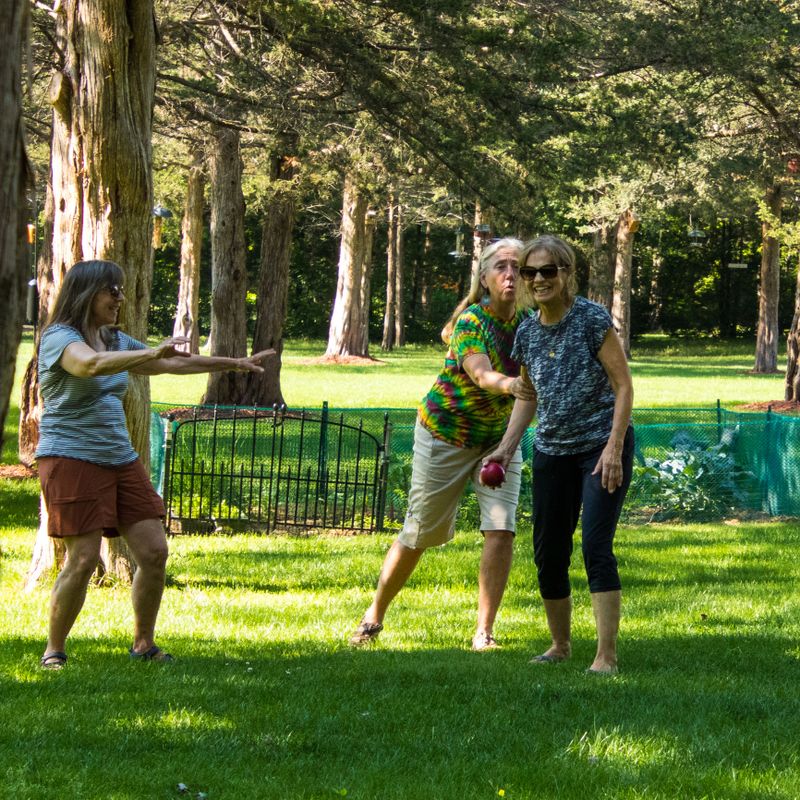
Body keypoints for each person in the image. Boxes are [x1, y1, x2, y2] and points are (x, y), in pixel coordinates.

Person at [36, 259, 274, 669]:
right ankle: (54, 650)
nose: (120, 298)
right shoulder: (60, 337)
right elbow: (87, 365)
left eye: (121, 290)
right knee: (84, 558)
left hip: (119, 457)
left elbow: (171, 363)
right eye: (112, 290)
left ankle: (143, 644)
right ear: (87, 293)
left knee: (154, 551)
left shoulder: (113, 339)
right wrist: (147, 352)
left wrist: (234, 363)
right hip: (71, 456)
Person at [349, 237, 535, 651]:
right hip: (445, 434)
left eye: (517, 267)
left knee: (501, 529)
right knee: (420, 534)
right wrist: (514, 385)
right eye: (501, 267)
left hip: (499, 439)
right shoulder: (471, 322)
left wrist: (508, 441)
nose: (510, 275)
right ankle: (374, 615)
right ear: (484, 278)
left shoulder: (530, 322)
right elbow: (481, 374)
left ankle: (484, 632)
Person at [484, 235, 634, 675]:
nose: (537, 279)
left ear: (566, 273)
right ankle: (560, 645)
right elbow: (527, 394)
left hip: (599, 447)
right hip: (552, 450)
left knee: (596, 546)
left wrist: (613, 448)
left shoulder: (591, 319)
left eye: (548, 270)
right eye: (529, 272)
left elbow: (623, 385)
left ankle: (606, 656)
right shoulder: (528, 331)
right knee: (549, 553)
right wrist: (507, 447)